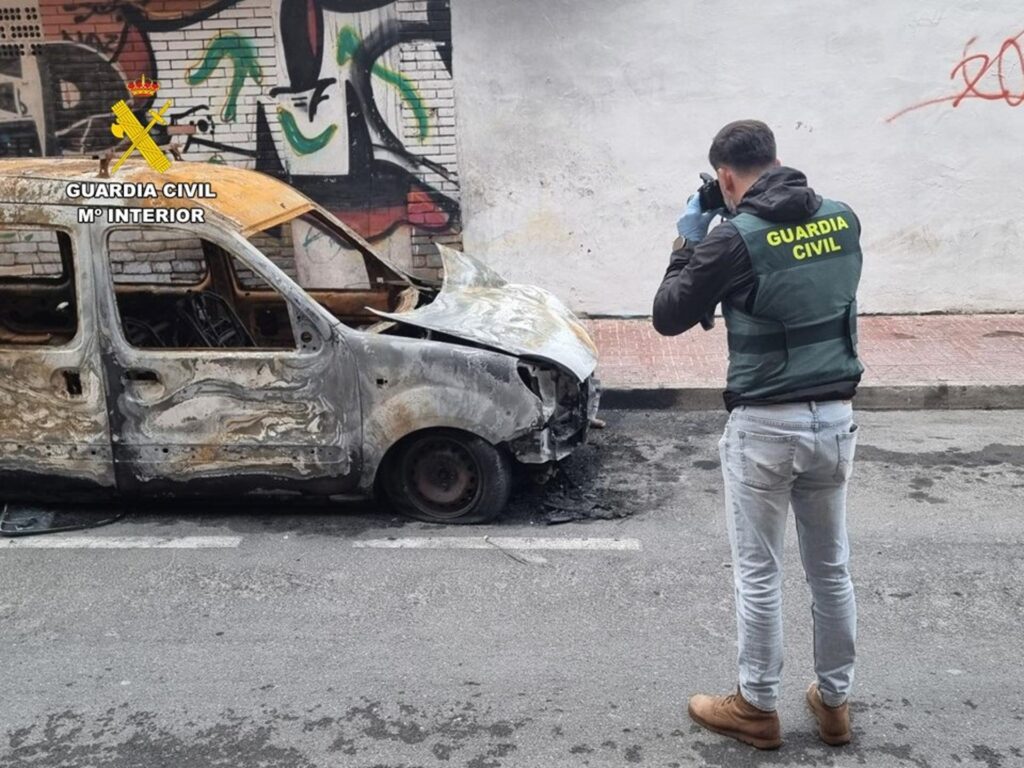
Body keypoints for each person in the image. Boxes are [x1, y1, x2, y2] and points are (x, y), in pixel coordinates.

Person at [652, 120, 864, 750]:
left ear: (724, 177)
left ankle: (756, 707)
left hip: (767, 426)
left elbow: (668, 315)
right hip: (835, 420)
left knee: (760, 573)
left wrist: (688, 242)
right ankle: (834, 704)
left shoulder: (731, 240)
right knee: (831, 569)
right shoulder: (844, 219)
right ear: (774, 158)